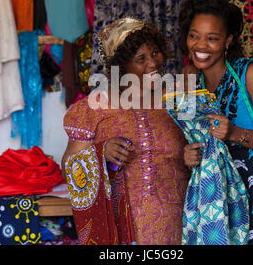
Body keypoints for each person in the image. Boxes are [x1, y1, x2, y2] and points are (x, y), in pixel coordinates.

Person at [178, 0, 253, 245]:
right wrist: (188, 155)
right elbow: (189, 136)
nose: (200, 46)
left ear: (228, 40)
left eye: (212, 38)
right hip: (212, 198)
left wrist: (234, 134)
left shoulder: (249, 73)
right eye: (194, 35)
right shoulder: (188, 78)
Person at [61, 18, 190, 245]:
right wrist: (100, 153)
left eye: (155, 53)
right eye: (141, 59)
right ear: (120, 67)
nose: (153, 63)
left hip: (176, 224)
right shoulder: (94, 107)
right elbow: (69, 168)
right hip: (119, 229)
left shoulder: (178, 100)